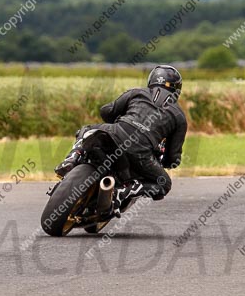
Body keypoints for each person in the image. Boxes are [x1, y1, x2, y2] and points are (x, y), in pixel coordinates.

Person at [54, 65, 187, 205]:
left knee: (87, 130)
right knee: (164, 183)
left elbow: (107, 111)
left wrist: (120, 118)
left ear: (152, 80)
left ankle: (71, 159)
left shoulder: (137, 92)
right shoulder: (180, 117)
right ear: (177, 89)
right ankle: (124, 192)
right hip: (141, 153)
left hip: (116, 131)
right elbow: (173, 158)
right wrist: (165, 161)